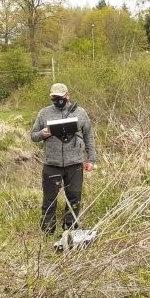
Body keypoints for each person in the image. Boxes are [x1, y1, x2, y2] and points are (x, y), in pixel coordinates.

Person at [30, 83, 97, 234]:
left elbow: (89, 136)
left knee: (74, 198)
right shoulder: (44, 113)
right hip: (51, 164)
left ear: (67, 95)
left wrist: (91, 160)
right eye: (54, 97)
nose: (57, 100)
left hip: (75, 164)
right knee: (49, 200)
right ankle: (47, 232)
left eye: (60, 97)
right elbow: (33, 136)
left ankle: (71, 230)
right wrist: (43, 134)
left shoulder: (80, 113)